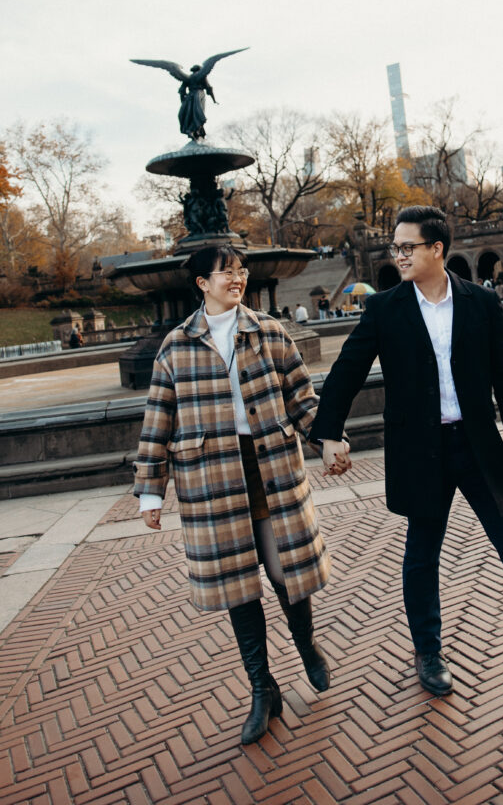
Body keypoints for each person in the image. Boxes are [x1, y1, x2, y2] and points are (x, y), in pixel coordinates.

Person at [310, 205, 503, 700]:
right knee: (422, 555)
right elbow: (346, 371)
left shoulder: (481, 302)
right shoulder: (386, 308)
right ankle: (429, 654)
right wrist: (329, 433)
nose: (399, 255)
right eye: (396, 248)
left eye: (407, 247)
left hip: (478, 446)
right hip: (421, 450)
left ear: (437, 249)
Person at [133, 245, 344, 745]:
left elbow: (302, 398)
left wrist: (327, 438)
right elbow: (158, 419)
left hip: (269, 466)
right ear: (202, 283)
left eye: (241, 271)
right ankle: (261, 688)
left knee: (283, 571)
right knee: (237, 585)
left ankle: (307, 646)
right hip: (210, 478)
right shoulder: (177, 345)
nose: (238, 279)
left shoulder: (269, 331)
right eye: (227, 273)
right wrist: (150, 492)